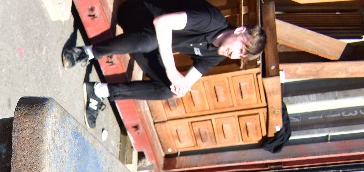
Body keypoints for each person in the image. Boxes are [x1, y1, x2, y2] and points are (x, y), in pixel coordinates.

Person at [62, 0, 266, 127]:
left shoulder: (219, 53)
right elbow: (162, 23)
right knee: (150, 40)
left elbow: (189, 80)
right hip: (139, 11)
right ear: (239, 31)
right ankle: (85, 53)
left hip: (150, 43)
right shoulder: (210, 19)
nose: (236, 55)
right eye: (241, 48)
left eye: (242, 56)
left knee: (169, 90)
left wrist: (182, 87)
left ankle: (98, 91)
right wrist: (171, 69)